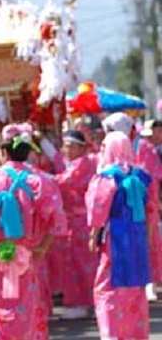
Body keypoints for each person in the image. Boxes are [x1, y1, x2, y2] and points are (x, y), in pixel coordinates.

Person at [0, 123, 65, 340]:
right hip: (23, 253)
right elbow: (57, 220)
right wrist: (42, 247)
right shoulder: (40, 181)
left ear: (3, 152)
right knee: (20, 307)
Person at [86, 131, 153, 340]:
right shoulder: (142, 176)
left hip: (115, 238)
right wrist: (147, 239)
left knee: (108, 288)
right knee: (135, 290)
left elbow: (98, 209)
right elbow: (151, 211)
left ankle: (112, 333)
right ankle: (136, 333)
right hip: (138, 238)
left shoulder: (106, 177)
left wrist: (93, 234)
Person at [102, 112, 162, 300]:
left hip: (142, 199)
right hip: (123, 203)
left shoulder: (142, 146)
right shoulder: (111, 146)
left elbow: (152, 176)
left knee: (148, 240)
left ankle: (149, 283)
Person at [52, 130, 98, 319]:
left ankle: (83, 302)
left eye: (72, 146)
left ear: (81, 147)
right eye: (66, 146)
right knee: (80, 262)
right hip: (76, 221)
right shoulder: (80, 163)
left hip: (80, 221)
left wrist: (37, 177)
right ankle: (86, 301)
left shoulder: (82, 164)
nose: (68, 149)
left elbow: (63, 182)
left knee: (81, 263)